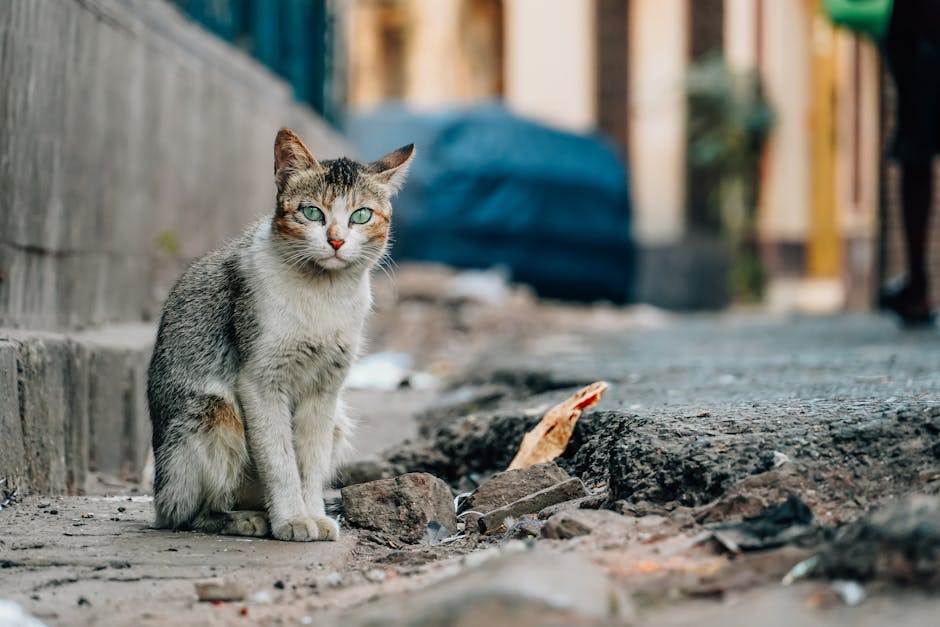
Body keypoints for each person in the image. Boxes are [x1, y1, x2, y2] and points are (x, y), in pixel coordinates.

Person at [825, 0, 940, 324]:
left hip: (920, 27)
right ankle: (917, 286)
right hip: (917, 27)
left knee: (916, 153)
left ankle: (918, 287)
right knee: (915, 151)